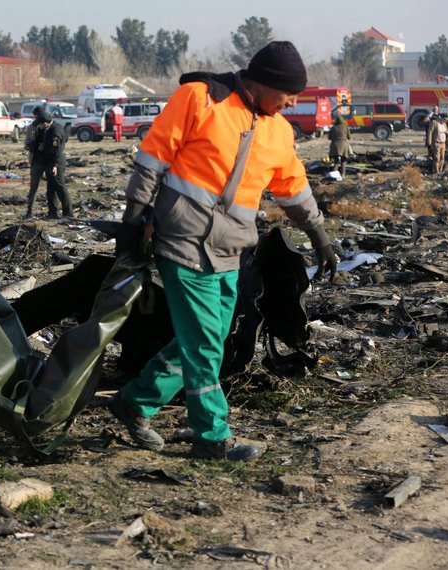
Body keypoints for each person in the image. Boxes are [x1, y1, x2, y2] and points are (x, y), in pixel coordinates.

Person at [110, 41, 336, 461]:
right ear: (264, 82)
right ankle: (212, 436)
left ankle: (134, 402)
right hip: (181, 239)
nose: (292, 103)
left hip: (229, 248)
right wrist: (134, 217)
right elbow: (152, 158)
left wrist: (320, 236)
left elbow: (294, 190)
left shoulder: (279, 131)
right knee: (204, 344)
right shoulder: (200, 98)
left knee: (209, 336)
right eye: (289, 94)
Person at [31, 110, 72, 219]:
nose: (39, 126)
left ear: (44, 123)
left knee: (60, 187)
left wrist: (55, 165)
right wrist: (44, 145)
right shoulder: (49, 128)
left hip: (56, 161)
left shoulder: (55, 131)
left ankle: (68, 213)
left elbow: (57, 150)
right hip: (50, 161)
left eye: (39, 124)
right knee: (51, 189)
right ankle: (52, 213)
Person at [23, 105, 44, 218]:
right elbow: (26, 145)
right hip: (36, 159)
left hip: (46, 160)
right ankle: (29, 211)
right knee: (34, 187)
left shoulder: (48, 126)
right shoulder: (31, 128)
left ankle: (53, 211)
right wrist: (33, 146)